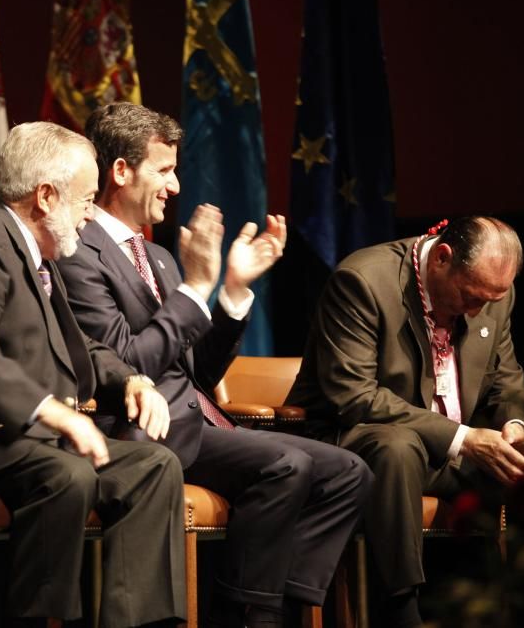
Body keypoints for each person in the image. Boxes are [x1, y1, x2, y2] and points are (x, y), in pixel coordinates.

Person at [56, 102, 372, 627]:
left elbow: (196, 372)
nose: (176, 186)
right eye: (164, 170)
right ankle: (248, 613)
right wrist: (196, 288)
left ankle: (282, 605)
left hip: (196, 419)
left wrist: (230, 291)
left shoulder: (156, 256)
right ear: (120, 171)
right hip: (140, 431)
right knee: (286, 467)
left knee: (349, 472)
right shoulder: (78, 253)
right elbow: (130, 364)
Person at [0, 121, 187, 628]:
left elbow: (82, 347)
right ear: (46, 196)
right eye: (86, 200)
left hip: (28, 436)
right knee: (65, 476)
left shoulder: (40, 254)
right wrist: (49, 410)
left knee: (153, 466)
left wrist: (130, 381)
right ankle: (39, 619)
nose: (91, 215)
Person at [287, 216, 524, 627]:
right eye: (471, 297)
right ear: (442, 258)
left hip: (455, 452)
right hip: (359, 445)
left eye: (491, 300)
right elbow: (354, 396)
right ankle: (400, 610)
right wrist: (464, 438)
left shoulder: (494, 295)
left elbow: (508, 388)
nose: (479, 311)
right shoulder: (363, 281)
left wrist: (517, 429)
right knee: (397, 446)